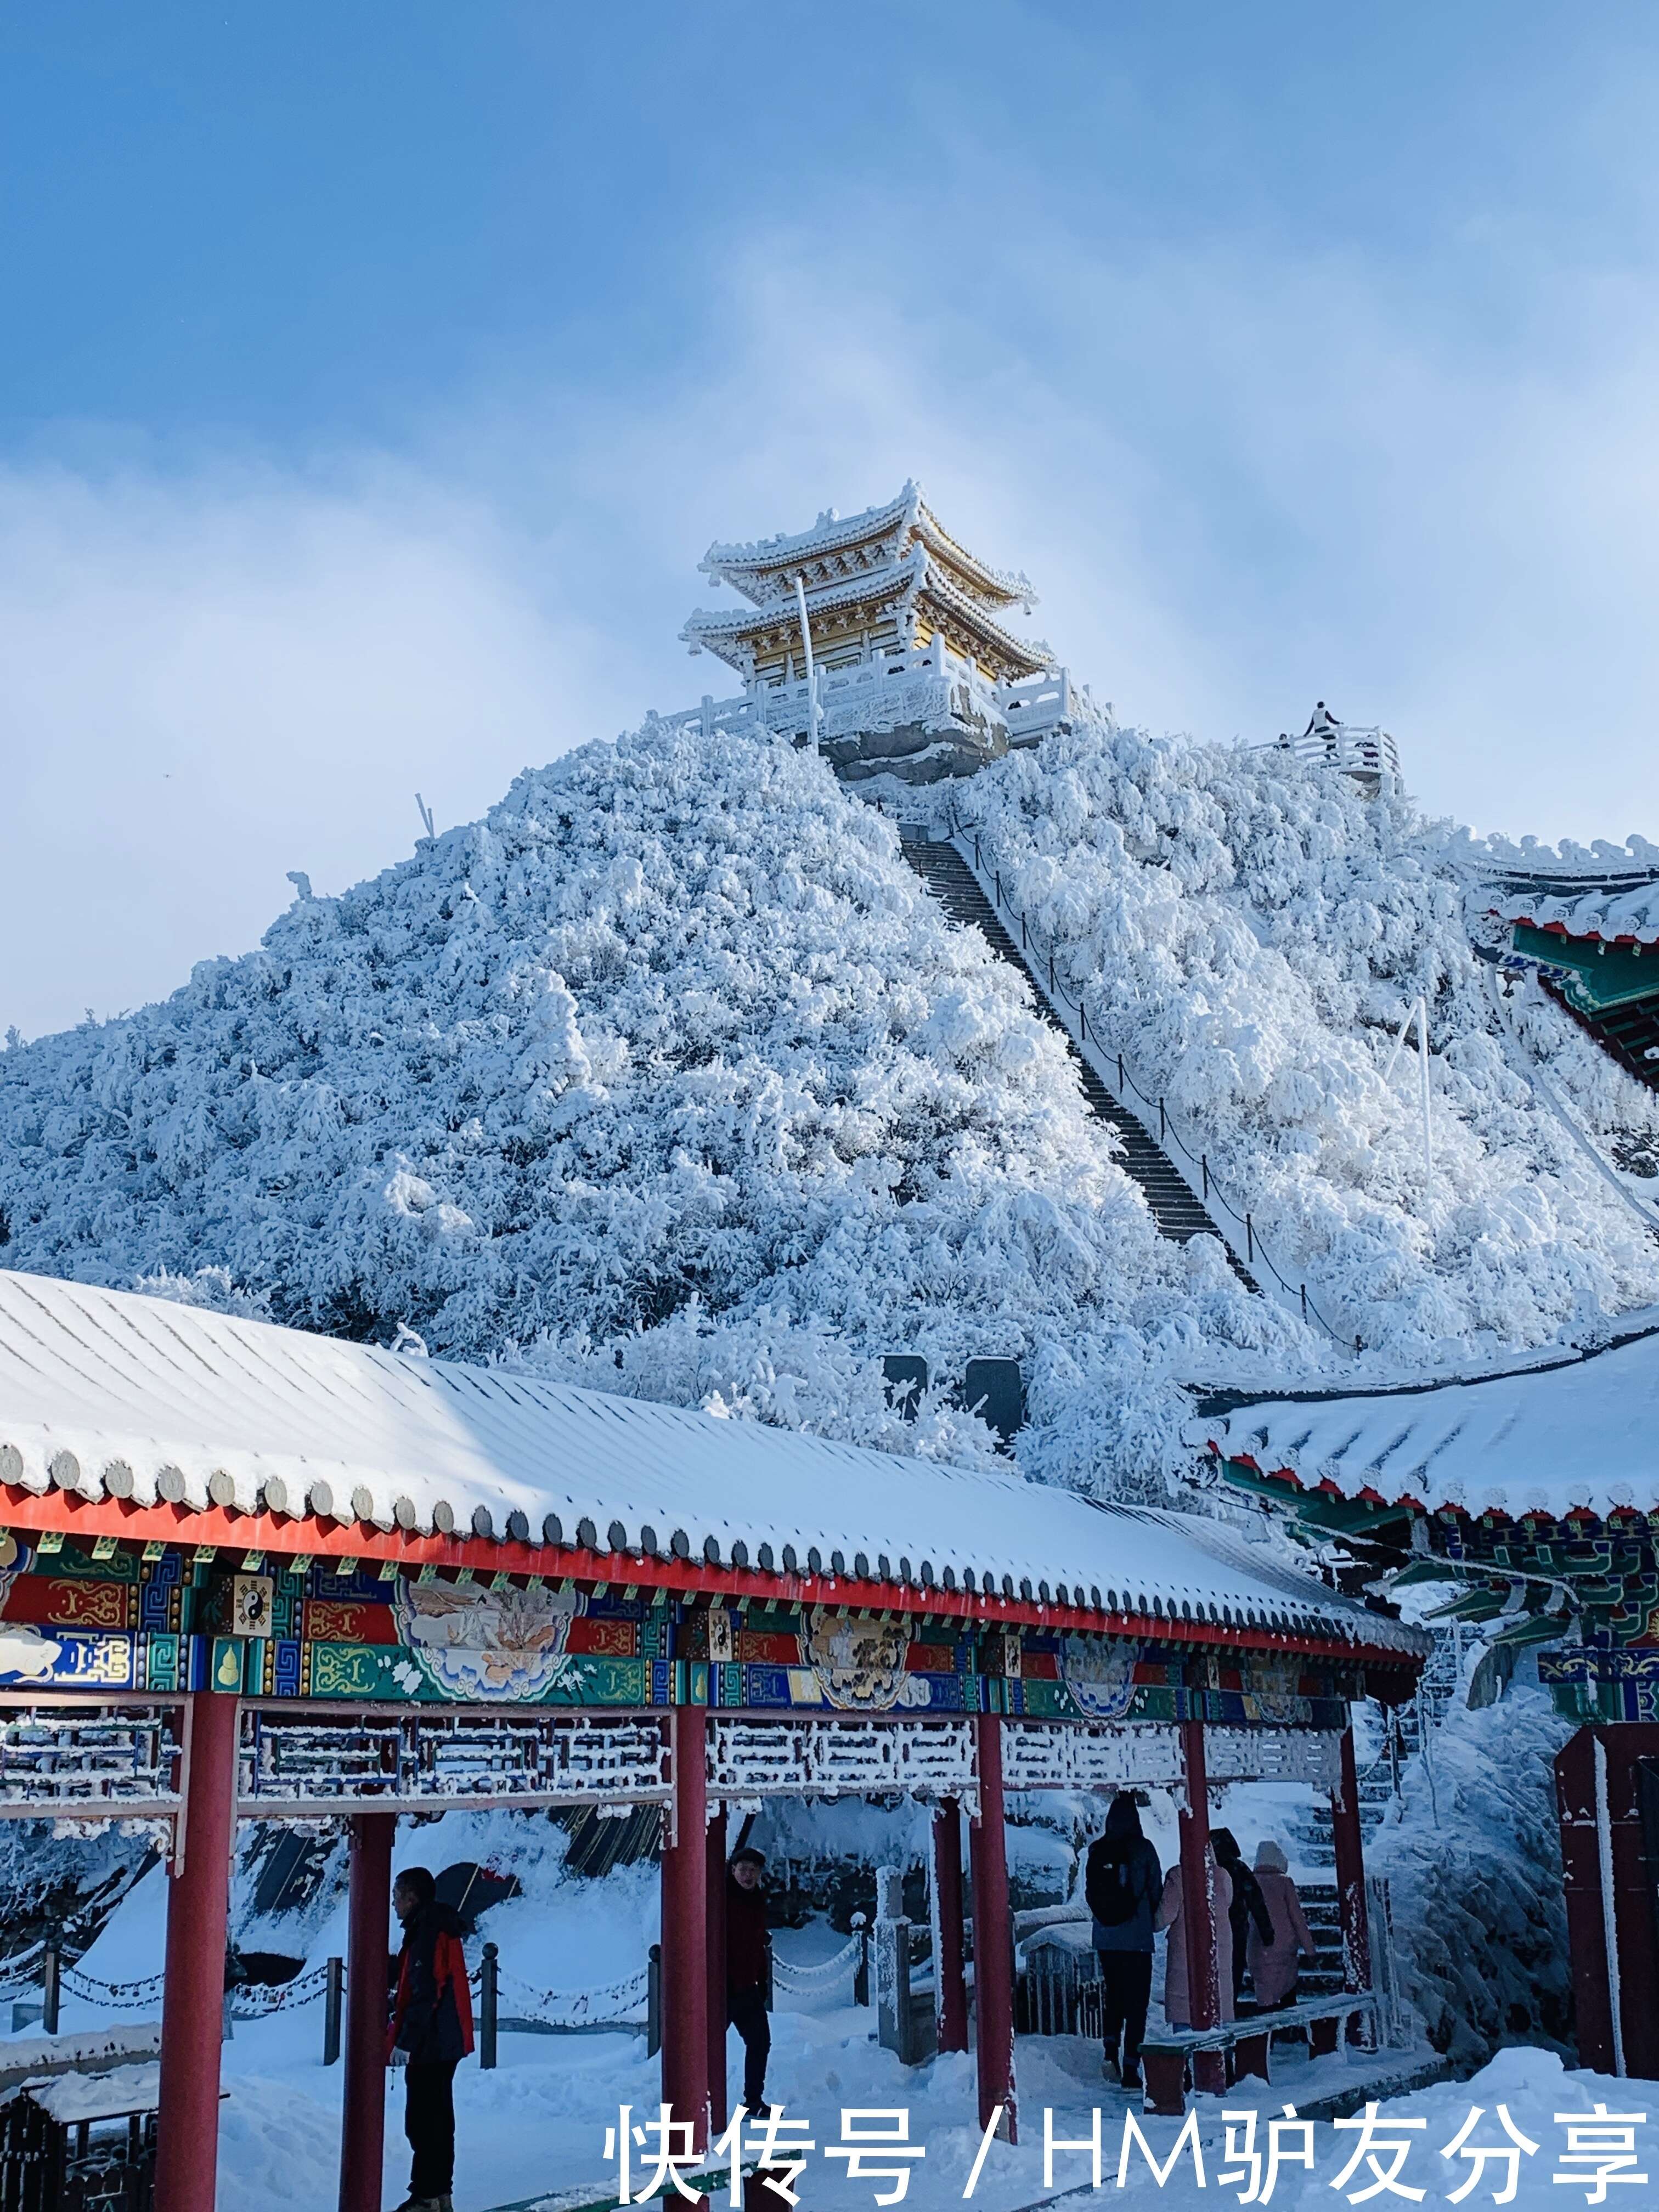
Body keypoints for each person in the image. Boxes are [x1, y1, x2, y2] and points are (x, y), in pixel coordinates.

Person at [387, 1864, 475, 2212]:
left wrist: (406, 2042)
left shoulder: (426, 1931)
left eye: (397, 1897)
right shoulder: (438, 1925)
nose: (394, 1905)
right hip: (447, 2037)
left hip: (433, 2040)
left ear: (411, 1897)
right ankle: (439, 2194)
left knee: (424, 2121)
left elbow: (427, 1990)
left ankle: (427, 2195)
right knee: (438, 2117)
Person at [1084, 1792, 1163, 2089]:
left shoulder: (1097, 1849)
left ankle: (1109, 2052)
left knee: (1114, 1996)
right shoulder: (1143, 1849)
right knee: (1137, 2004)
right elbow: (1155, 1888)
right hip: (1137, 1937)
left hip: (1105, 1936)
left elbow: (1091, 1892)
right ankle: (1131, 2066)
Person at [1154, 1847, 1235, 2028]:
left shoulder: (1179, 1876)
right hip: (1219, 1944)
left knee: (1186, 2013)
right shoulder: (1223, 1877)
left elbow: (1163, 1917)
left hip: (1187, 1949)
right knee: (1217, 2006)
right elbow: (1228, 1902)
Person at [726, 1846, 772, 2115]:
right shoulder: (720, 1898)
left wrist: (761, 1980)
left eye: (754, 1870)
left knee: (760, 2042)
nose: (748, 1875)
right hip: (720, 1987)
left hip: (747, 1988)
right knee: (707, 2046)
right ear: (733, 1870)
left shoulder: (758, 1901)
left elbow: (757, 1945)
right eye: (743, 1869)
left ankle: (753, 2101)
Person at [1246, 1840, 1318, 2009]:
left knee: (1264, 1990)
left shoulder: (1250, 1881)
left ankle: (1267, 2025)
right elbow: (1297, 1918)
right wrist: (1310, 1949)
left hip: (1257, 1945)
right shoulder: (1284, 1883)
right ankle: (1289, 2029)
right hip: (1284, 1946)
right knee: (1287, 1988)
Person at [1210, 1829, 1274, 2006]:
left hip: (1211, 1930)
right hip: (1237, 1928)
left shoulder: (1208, 1870)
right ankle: (1230, 2005)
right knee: (1234, 1970)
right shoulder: (1239, 1869)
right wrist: (1266, 1932)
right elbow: (1256, 1901)